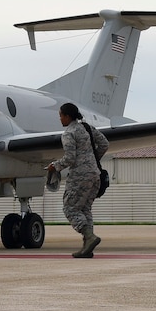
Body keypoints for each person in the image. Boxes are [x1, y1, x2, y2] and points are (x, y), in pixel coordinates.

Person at [47, 102, 108, 258]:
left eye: (61, 115)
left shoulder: (69, 133)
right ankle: (87, 248)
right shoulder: (87, 128)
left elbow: (70, 158)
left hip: (79, 176)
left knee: (70, 208)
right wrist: (92, 160)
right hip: (95, 174)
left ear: (67, 116)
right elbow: (104, 144)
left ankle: (89, 237)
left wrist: (55, 166)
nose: (60, 119)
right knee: (85, 209)